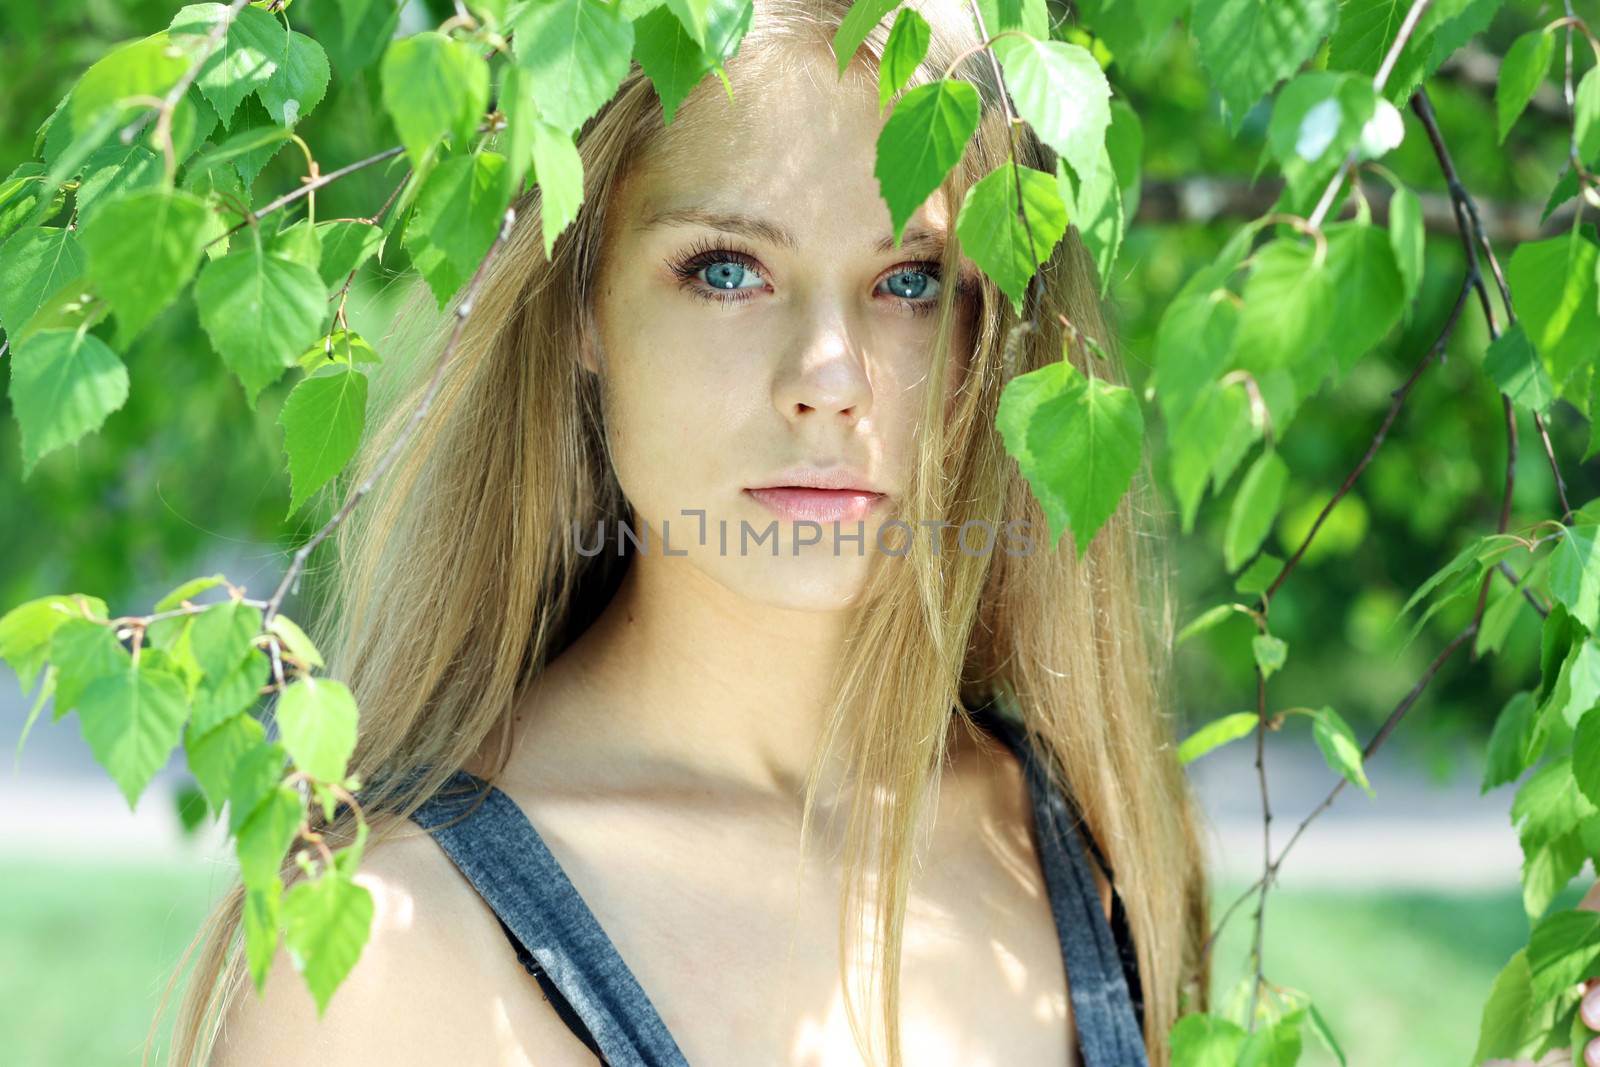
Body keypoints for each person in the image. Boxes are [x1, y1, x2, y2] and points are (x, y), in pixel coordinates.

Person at [165, 0, 1215, 1063]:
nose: (829, 378)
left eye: (910, 282)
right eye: (727, 269)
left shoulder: (1092, 839)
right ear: (582, 303)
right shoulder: (389, 944)